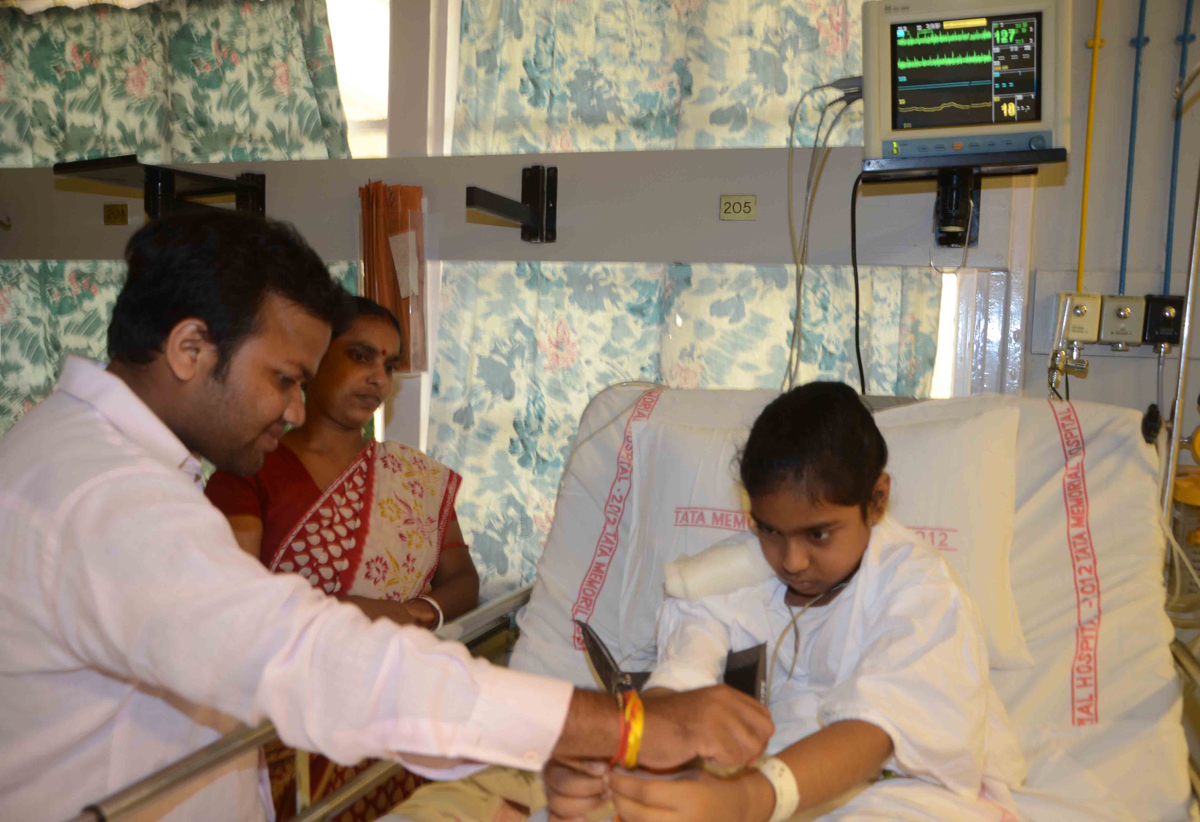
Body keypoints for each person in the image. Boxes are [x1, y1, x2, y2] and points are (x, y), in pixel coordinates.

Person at [0, 209, 774, 822]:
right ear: (190, 348)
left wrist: (538, 734)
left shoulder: (93, 463)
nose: (297, 408)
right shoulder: (101, 500)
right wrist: (631, 725)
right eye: (284, 378)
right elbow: (323, 663)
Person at [545, 382, 1026, 822]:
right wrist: (618, 756)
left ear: (877, 501)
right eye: (769, 530)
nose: (792, 561)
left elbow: (877, 731)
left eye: (818, 534)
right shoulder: (721, 582)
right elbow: (678, 692)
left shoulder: (921, 592)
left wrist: (745, 801)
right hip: (761, 780)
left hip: (897, 785)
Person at [205, 296, 480, 820]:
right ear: (313, 358)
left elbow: (463, 579)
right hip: (293, 736)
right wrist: (341, 615)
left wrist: (416, 612)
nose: (378, 377)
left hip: (400, 727)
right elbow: (236, 610)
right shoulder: (250, 471)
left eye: (390, 365)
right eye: (360, 356)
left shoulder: (414, 479)